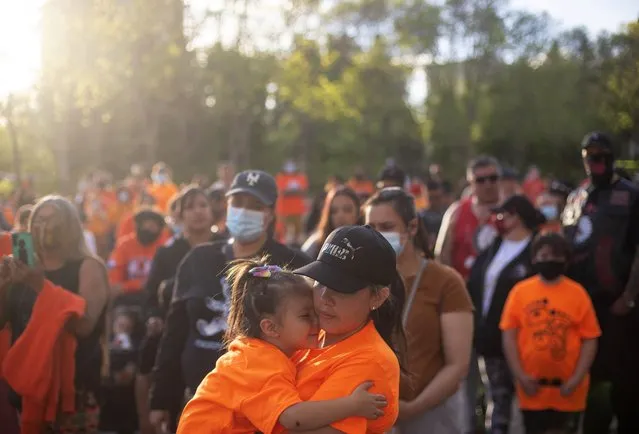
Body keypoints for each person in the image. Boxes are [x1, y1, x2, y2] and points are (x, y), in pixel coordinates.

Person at [149, 170, 310, 432]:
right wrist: (161, 398)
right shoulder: (198, 259)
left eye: (255, 206)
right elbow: (174, 333)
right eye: (238, 203)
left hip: (266, 411)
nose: (244, 211)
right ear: (226, 205)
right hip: (202, 402)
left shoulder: (292, 265)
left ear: (270, 213)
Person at [177, 258, 387, 433]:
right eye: (306, 316)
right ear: (271, 327)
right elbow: (293, 418)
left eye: (314, 312)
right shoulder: (261, 362)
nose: (317, 321)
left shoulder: (259, 352)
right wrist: (353, 405)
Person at [364, 188, 473, 433]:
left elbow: (458, 366)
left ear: (412, 228)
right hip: (373, 415)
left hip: (431, 416)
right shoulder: (360, 283)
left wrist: (413, 408)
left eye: (387, 226)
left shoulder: (445, 281)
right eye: (371, 227)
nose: (378, 235)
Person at [0, 196, 109, 433]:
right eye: (39, 219)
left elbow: (85, 326)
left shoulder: (88, 266)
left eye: (52, 220)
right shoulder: (22, 269)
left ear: (70, 226)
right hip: (30, 389)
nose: (44, 226)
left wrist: (39, 284)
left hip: (74, 389)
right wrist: (2, 286)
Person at [291, 225, 406, 433]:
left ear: (378, 297)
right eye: (320, 281)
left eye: (340, 288)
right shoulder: (308, 331)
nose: (325, 296)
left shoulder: (371, 361)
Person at [562, 132, 639, 434]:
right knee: (588, 378)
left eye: (602, 155)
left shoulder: (631, 195)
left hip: (618, 306)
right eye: (590, 156)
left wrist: (630, 295)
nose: (596, 162)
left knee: (625, 381)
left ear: (612, 156)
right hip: (582, 305)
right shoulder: (577, 196)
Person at [501, 233, 600, 434]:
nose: (549, 261)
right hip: (532, 391)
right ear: (534, 259)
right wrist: (520, 376)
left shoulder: (577, 293)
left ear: (565, 259)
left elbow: (590, 339)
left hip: (568, 392)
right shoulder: (520, 292)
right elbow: (509, 336)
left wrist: (576, 379)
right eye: (543, 256)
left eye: (555, 256)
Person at [138, 186, 218, 432]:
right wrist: (153, 317)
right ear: (180, 216)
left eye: (203, 205)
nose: (198, 212)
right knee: (149, 357)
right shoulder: (168, 253)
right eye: (190, 207)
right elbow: (150, 296)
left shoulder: (226, 247)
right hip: (175, 330)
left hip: (215, 330)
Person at [467, 194, 543, 434]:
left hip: (524, 344)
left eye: (504, 214)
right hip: (491, 342)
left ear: (518, 217)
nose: (498, 219)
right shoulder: (494, 246)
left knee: (526, 408)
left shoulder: (535, 249)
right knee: (497, 402)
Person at [302, 186, 361, 259]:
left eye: (347, 210)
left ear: (358, 213)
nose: (340, 215)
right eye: (334, 211)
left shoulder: (368, 243)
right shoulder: (315, 244)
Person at [275, 160, 309, 245]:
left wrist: (289, 192)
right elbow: (282, 192)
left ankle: (297, 246)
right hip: (284, 210)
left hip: (298, 210)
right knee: (283, 232)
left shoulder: (301, 177)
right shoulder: (280, 177)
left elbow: (303, 191)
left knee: (298, 232)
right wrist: (294, 192)